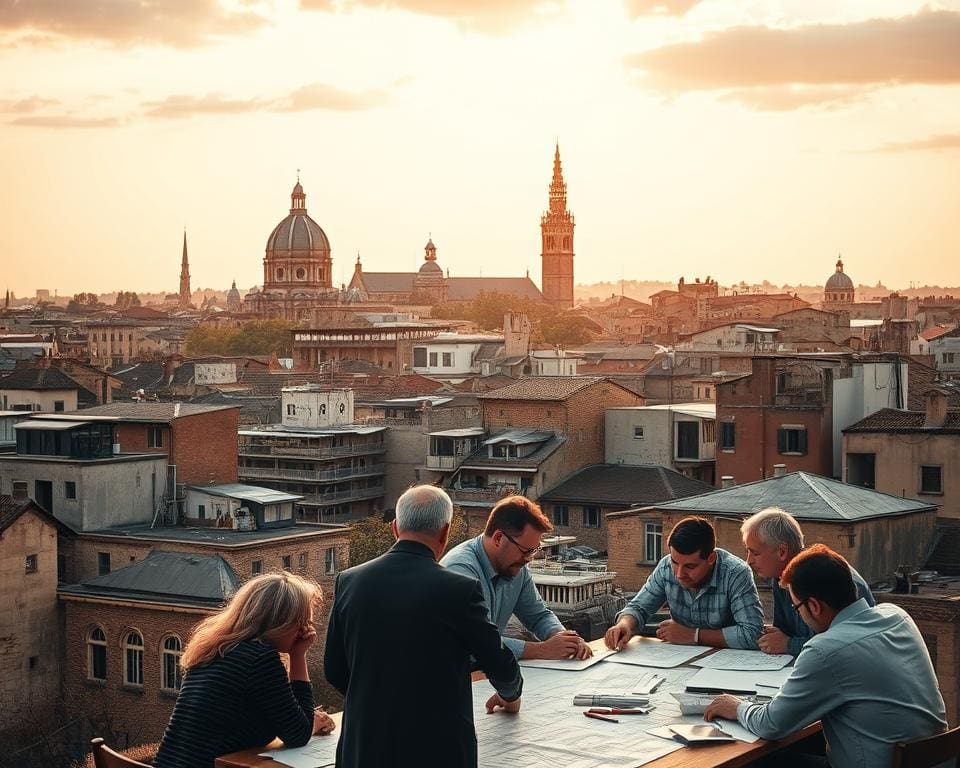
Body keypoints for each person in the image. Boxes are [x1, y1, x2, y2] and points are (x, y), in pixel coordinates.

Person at [324, 485, 523, 768]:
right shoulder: (460, 589)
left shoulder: (349, 581)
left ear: (394, 528)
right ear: (445, 532)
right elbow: (497, 660)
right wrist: (511, 694)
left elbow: (334, 669)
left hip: (364, 746)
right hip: (438, 748)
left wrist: (378, 699)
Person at [705, 544, 947, 768]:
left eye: (796, 608)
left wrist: (736, 707)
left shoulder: (826, 649)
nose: (799, 615)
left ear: (815, 606)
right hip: (932, 759)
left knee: (752, 761)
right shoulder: (896, 615)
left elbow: (771, 725)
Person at [154, 572, 335, 768]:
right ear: (280, 622)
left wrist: (305, 722)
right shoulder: (259, 658)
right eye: (301, 624)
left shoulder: (214, 649)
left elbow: (283, 716)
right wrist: (298, 656)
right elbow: (298, 734)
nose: (304, 631)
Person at [441, 495, 591, 660]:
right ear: (498, 538)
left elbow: (538, 615)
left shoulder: (515, 566)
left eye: (534, 551)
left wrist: (566, 639)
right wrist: (541, 650)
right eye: (525, 550)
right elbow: (474, 640)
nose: (529, 559)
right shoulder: (460, 571)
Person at [605, 516, 762, 651]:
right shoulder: (666, 566)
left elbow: (752, 634)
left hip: (728, 665)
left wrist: (693, 635)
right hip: (678, 661)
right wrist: (624, 625)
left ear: (711, 559)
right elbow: (639, 608)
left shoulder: (736, 573)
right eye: (675, 562)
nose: (679, 574)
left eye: (690, 566)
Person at [741, 507, 874, 655]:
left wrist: (789, 645)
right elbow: (785, 631)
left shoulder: (833, 579)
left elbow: (845, 646)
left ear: (782, 552)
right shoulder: (780, 576)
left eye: (755, 553)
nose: (748, 561)